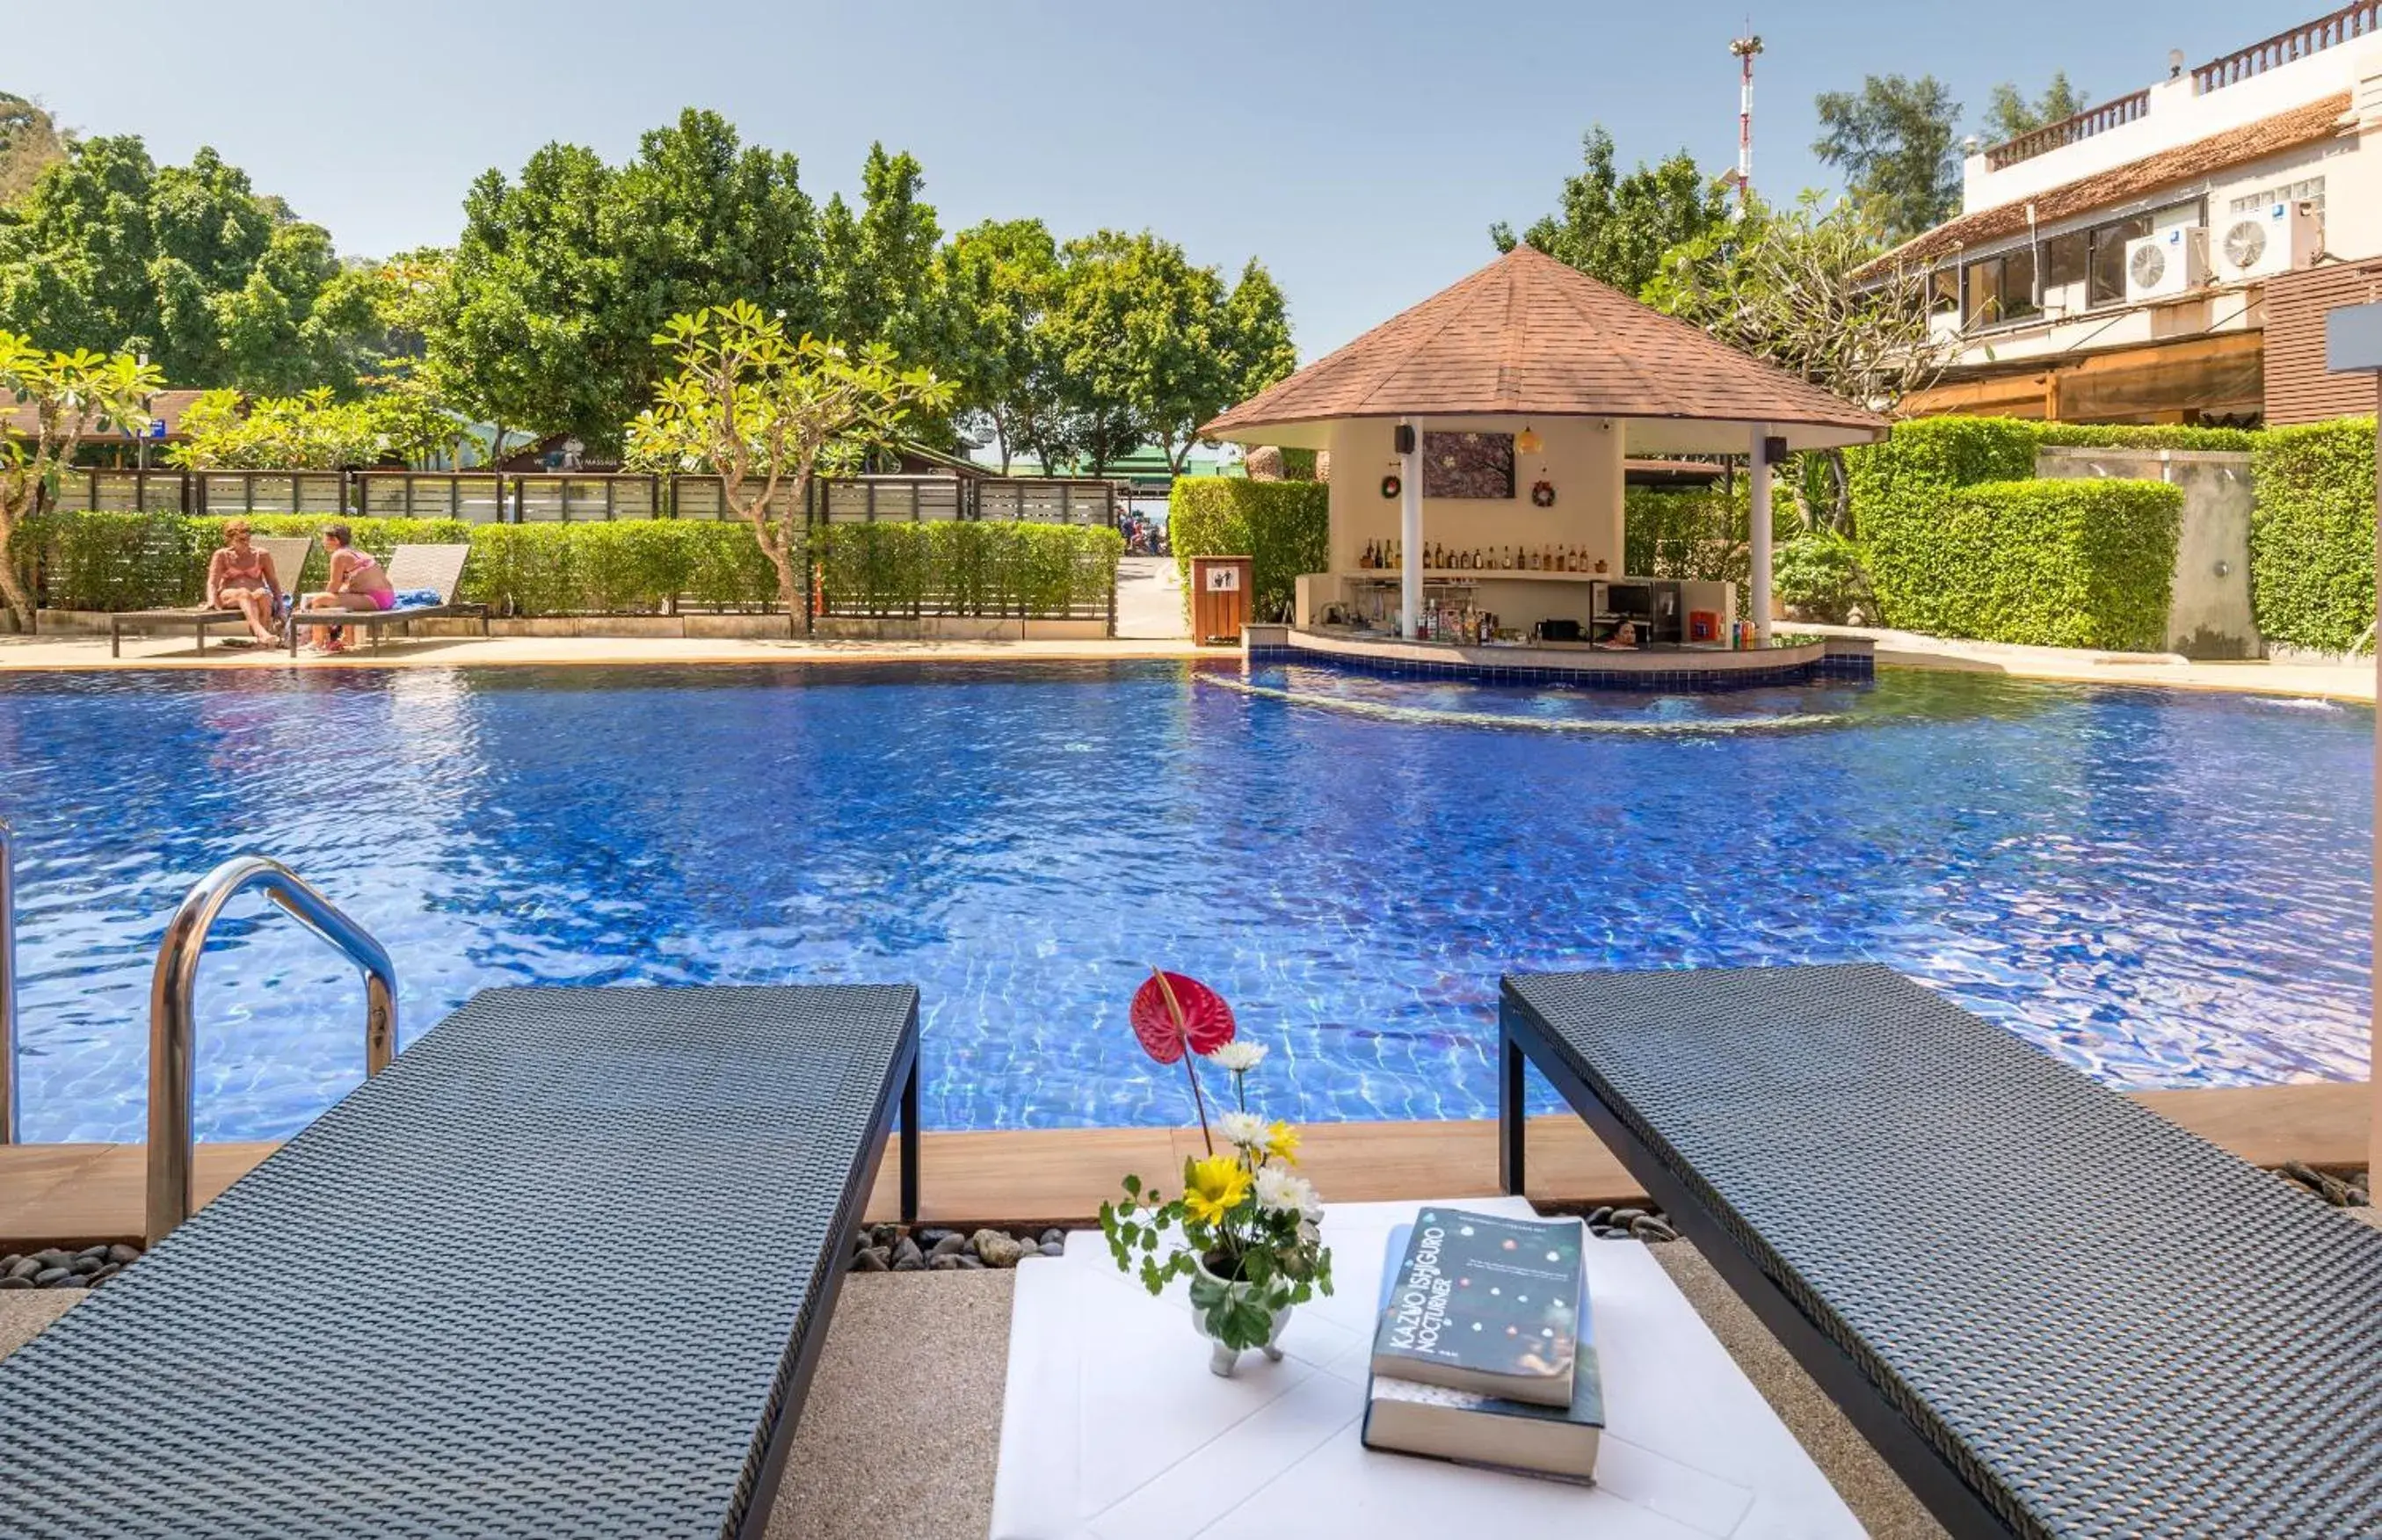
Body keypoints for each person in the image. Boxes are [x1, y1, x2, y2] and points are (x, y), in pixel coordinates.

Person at [300, 522, 396, 653]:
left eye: (325, 539)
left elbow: (333, 586)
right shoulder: (355, 551)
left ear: (336, 540)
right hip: (387, 597)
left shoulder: (339, 555)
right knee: (344, 592)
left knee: (320, 600)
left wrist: (320, 601)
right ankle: (347, 638)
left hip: (374, 599)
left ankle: (318, 641)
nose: (323, 542)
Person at [205, 519, 286, 646]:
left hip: (255, 597)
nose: (245, 542)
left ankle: (262, 642)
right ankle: (261, 632)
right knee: (244, 593)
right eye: (240, 540)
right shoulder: (221, 555)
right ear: (229, 540)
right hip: (229, 597)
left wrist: (281, 608)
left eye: (247, 538)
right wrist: (211, 601)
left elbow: (273, 582)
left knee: (263, 593)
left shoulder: (262, 554)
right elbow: (212, 582)